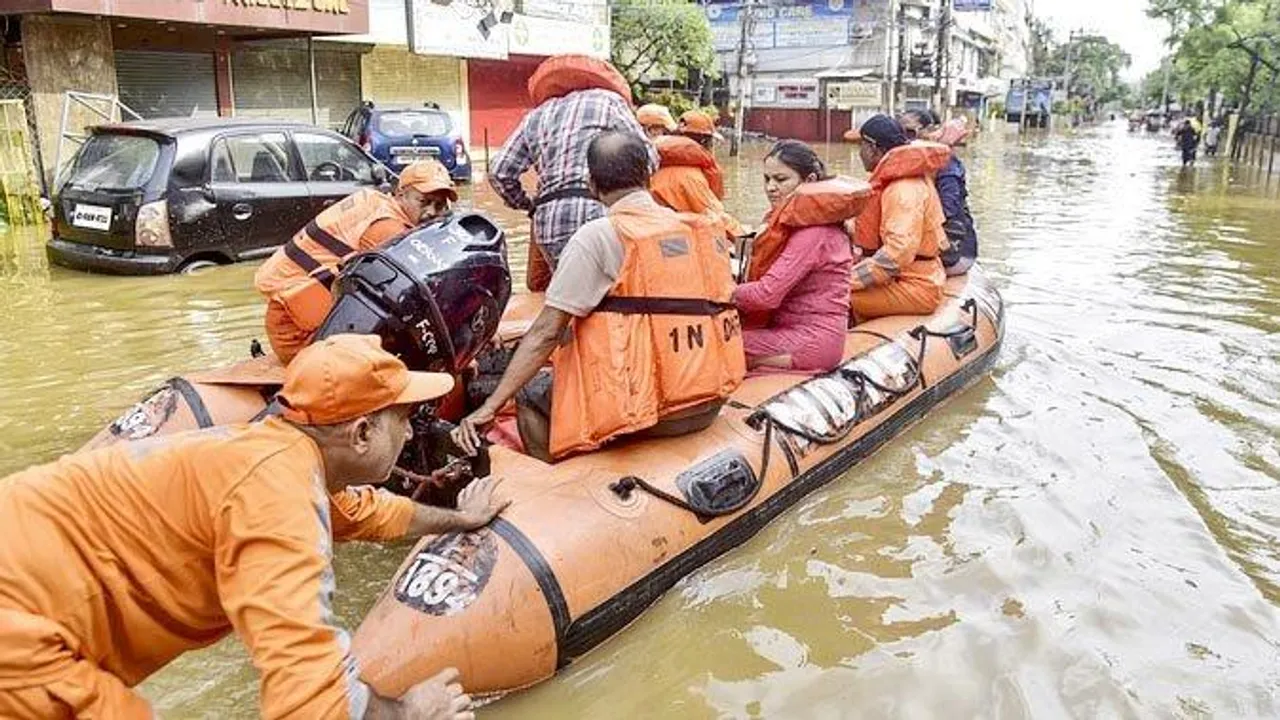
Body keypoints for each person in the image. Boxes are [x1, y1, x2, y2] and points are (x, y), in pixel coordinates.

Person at [0, 334, 507, 718]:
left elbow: (370, 513)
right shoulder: (277, 495)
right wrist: (408, 712)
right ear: (362, 433)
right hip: (20, 632)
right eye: (404, 419)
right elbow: (311, 700)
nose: (411, 431)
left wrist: (460, 518)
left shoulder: (271, 452)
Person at [455, 131, 744, 462]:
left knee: (530, 393)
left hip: (655, 414)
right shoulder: (696, 229)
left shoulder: (597, 237)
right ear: (649, 175)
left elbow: (547, 331)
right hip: (709, 400)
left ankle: (556, 481)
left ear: (591, 184)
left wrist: (491, 407)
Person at [255, 159, 457, 364]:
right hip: (298, 334)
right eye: (423, 202)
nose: (432, 212)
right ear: (400, 194)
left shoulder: (375, 201)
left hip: (293, 314)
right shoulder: (388, 230)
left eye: (439, 205)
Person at [488, 56, 656, 291]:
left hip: (549, 221)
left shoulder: (537, 115)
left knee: (569, 293)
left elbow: (499, 171)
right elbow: (648, 157)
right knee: (612, 294)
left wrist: (527, 204)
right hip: (599, 210)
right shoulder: (609, 101)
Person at [733, 141, 854, 372]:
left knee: (716, 342)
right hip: (798, 332)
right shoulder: (794, 224)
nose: (770, 188)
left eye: (780, 180)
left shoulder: (814, 233)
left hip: (809, 341)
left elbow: (765, 295)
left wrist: (719, 292)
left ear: (808, 182)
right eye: (766, 179)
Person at [850, 114, 950, 322]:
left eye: (861, 146)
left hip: (914, 285)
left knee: (827, 297)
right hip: (911, 277)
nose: (859, 153)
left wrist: (849, 280)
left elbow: (898, 253)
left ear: (873, 148)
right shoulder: (900, 181)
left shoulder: (902, 189)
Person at [900, 109, 978, 276]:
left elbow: (947, 208)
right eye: (900, 133)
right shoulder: (913, 164)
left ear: (929, 132)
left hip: (956, 251)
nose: (905, 140)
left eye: (909, 133)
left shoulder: (946, 166)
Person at [649, 110, 744, 238]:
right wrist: (744, 237)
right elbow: (716, 218)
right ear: (705, 142)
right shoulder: (690, 177)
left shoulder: (654, 165)